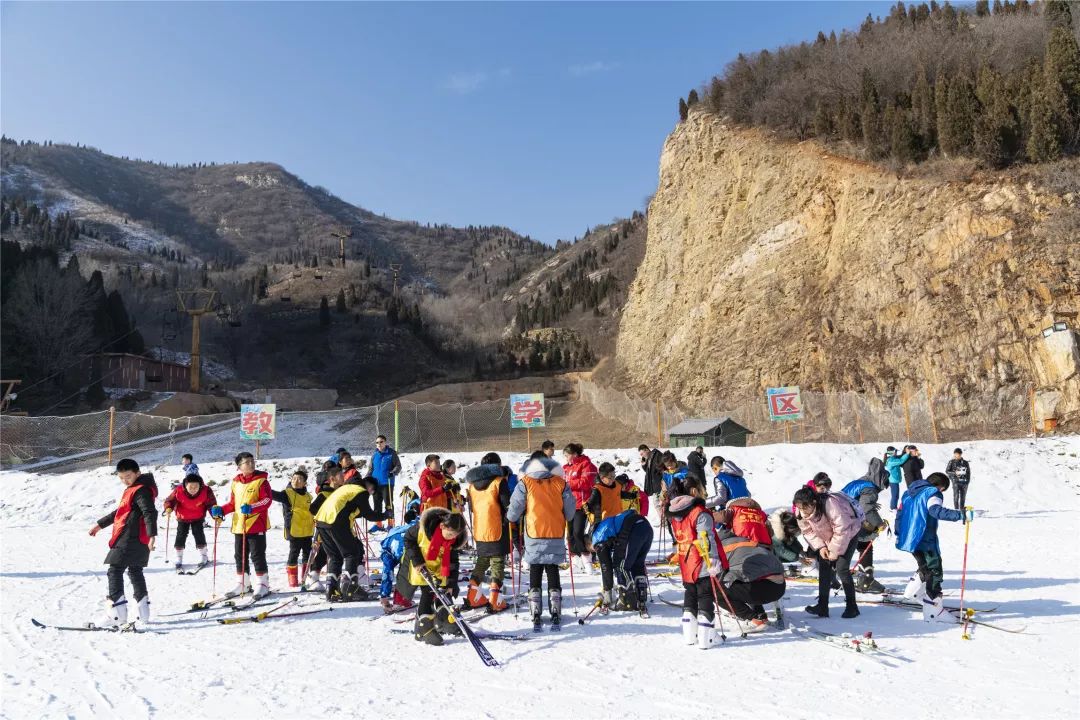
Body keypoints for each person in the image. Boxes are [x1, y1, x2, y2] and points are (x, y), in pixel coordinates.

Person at [507, 455, 576, 631]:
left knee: (535, 567)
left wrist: (511, 517)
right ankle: (555, 607)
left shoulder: (525, 482)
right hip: (555, 530)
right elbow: (570, 512)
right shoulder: (561, 483)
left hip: (534, 531)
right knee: (552, 567)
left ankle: (535, 609)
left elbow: (514, 510)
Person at [89, 458, 158, 626]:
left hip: (130, 537)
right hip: (137, 537)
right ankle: (143, 613)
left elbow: (149, 512)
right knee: (135, 571)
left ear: (138, 473)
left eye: (128, 476)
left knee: (115, 570)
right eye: (121, 478)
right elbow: (119, 512)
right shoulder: (135, 489)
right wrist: (100, 525)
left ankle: (116, 615)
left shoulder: (140, 490)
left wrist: (152, 535)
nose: (125, 480)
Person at [896, 472, 966, 622]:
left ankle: (912, 595)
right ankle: (933, 611)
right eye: (942, 489)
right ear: (939, 486)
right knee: (934, 572)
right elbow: (936, 511)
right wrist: (961, 515)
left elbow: (900, 514)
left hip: (909, 539)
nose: (941, 492)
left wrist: (898, 532)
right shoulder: (932, 493)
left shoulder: (908, 493)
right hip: (925, 539)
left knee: (925, 568)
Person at [667, 478, 726, 650]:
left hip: (686, 560)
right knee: (705, 595)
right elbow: (705, 538)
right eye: (702, 488)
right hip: (701, 560)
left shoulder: (675, 513)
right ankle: (706, 639)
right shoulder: (700, 512)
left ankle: (689, 635)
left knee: (690, 594)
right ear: (694, 492)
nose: (704, 493)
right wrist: (713, 560)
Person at [313, 467, 387, 601]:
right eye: (372, 490)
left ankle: (332, 590)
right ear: (369, 486)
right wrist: (385, 515)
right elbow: (368, 514)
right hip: (335, 521)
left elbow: (353, 511)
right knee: (352, 553)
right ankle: (350, 588)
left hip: (321, 521)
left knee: (335, 556)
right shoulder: (360, 491)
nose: (370, 493)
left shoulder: (346, 488)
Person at [793, 485, 863, 619]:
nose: (802, 511)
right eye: (799, 507)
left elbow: (842, 529)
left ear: (813, 502)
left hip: (849, 533)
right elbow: (807, 531)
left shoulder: (831, 504)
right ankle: (822, 606)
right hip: (826, 538)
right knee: (824, 567)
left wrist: (834, 551)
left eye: (804, 507)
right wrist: (821, 547)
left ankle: (852, 606)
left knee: (842, 568)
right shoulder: (800, 512)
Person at [210, 452, 273, 599]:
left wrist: (252, 507)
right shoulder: (236, 483)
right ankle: (243, 583)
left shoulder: (261, 481)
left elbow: (266, 501)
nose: (251, 464)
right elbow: (233, 504)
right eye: (247, 462)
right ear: (240, 466)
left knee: (257, 555)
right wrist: (221, 510)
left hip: (256, 523)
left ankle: (263, 584)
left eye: (252, 461)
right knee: (239, 555)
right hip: (239, 525)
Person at [402, 509, 467, 645]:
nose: (451, 538)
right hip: (421, 565)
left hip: (439, 569)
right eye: (450, 534)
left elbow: (453, 562)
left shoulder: (453, 541)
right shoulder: (423, 528)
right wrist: (418, 561)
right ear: (442, 526)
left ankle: (444, 621)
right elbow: (408, 539)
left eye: (455, 535)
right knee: (428, 593)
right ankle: (423, 629)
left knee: (444, 593)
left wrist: (451, 583)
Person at [463, 459, 512, 612]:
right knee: (497, 561)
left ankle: (473, 593)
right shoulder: (499, 482)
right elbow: (507, 505)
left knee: (483, 560)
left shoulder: (472, 485)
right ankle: (495, 598)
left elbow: (471, 508)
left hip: (480, 528)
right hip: (497, 527)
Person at [716, 523, 786, 632]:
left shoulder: (720, 548)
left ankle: (752, 619)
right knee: (749, 576)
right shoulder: (744, 540)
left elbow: (721, 577)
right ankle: (760, 614)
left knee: (716, 591)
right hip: (780, 587)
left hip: (759, 590)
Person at [589, 509, 653, 614]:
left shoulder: (597, 538)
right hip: (646, 527)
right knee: (637, 563)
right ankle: (641, 595)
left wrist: (607, 592)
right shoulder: (606, 525)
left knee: (620, 565)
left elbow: (606, 567)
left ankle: (627, 601)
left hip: (634, 529)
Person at [841, 471, 890, 593]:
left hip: (841, 515)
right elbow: (866, 508)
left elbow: (856, 499)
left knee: (853, 544)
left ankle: (834, 571)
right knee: (864, 543)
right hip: (847, 518)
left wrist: (871, 505)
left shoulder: (862, 481)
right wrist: (879, 524)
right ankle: (866, 581)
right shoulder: (871, 488)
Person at [162, 473, 216, 572]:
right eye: (190, 487)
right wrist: (168, 507)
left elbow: (211, 504)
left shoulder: (206, 491)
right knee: (181, 535)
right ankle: (179, 557)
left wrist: (215, 514)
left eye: (196, 487)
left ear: (200, 486)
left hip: (198, 517)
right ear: (185, 485)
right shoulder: (178, 490)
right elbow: (170, 500)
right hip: (183, 517)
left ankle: (204, 556)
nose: (193, 489)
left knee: (199, 534)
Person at [271, 470, 315, 588]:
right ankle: (293, 578)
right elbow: (274, 495)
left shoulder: (308, 496)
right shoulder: (287, 493)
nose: (296, 481)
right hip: (294, 530)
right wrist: (264, 487)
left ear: (305, 483)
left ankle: (306, 577)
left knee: (308, 554)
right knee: (294, 553)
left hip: (307, 530)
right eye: (294, 478)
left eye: (299, 479)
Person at [378, 498, 421, 613]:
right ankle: (401, 600)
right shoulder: (417, 528)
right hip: (405, 550)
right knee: (406, 572)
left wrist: (384, 594)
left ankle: (385, 597)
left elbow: (387, 570)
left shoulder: (397, 529)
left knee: (388, 570)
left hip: (387, 547)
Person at [562, 442, 598, 575]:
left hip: (582, 504)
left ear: (574, 454)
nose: (566, 458)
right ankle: (575, 561)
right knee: (570, 535)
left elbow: (586, 482)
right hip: (569, 504)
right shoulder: (566, 467)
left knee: (578, 532)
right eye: (565, 456)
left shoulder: (586, 464)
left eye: (567, 455)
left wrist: (568, 484)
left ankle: (587, 560)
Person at [367, 435, 402, 530]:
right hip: (375, 484)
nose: (379, 444)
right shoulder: (374, 455)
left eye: (381, 442)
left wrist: (393, 472)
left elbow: (398, 466)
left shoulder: (391, 453)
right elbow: (371, 468)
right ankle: (378, 524)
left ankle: (391, 524)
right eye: (377, 442)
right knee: (377, 504)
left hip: (387, 482)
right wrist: (366, 479)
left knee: (388, 503)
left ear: (385, 442)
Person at [884, 446, 908, 510]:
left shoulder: (892, 459)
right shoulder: (891, 461)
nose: (896, 453)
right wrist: (907, 454)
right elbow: (901, 461)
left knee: (896, 495)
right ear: (892, 453)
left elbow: (900, 457)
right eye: (895, 452)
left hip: (894, 480)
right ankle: (893, 508)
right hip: (893, 480)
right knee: (895, 495)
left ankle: (893, 507)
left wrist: (904, 452)